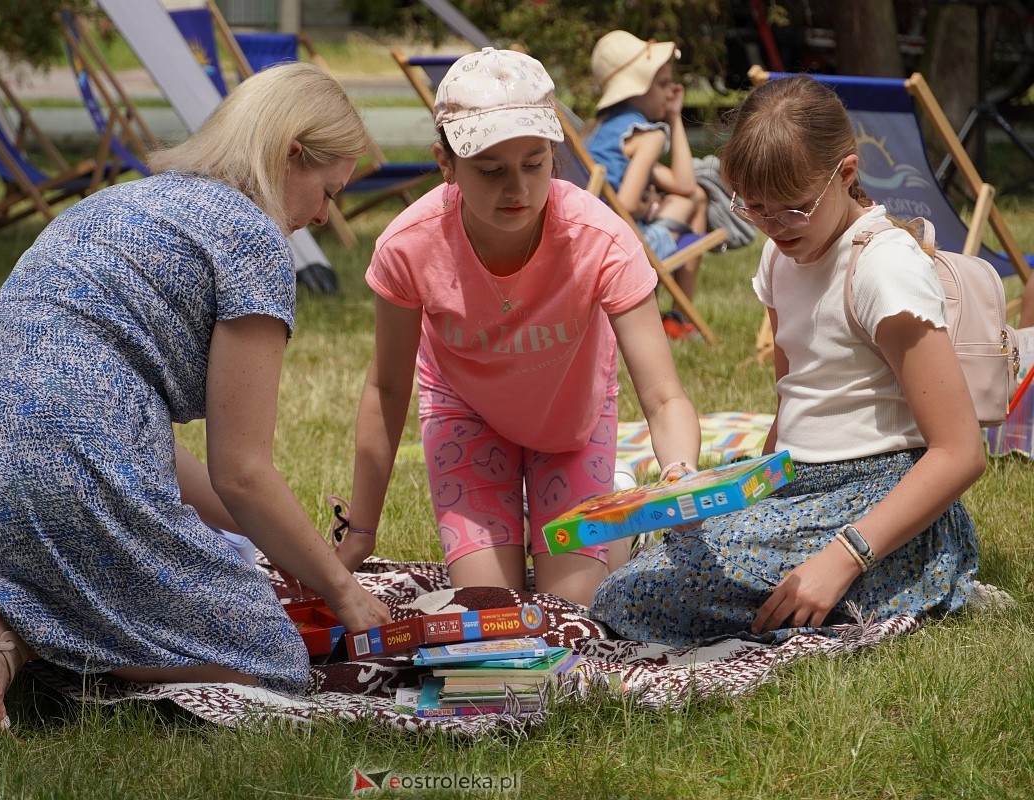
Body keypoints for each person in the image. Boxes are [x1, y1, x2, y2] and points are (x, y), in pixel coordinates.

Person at [0, 61, 392, 732]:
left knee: (93, 553)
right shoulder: (251, 238)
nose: (322, 215)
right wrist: (342, 589)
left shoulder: (121, 201)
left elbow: (143, 446)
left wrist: (289, 548)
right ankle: (20, 633)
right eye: (328, 190)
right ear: (292, 154)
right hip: (66, 481)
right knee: (271, 658)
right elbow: (242, 472)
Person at [590, 75, 986, 646]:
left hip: (883, 506)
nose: (773, 228)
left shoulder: (881, 267)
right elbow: (795, 396)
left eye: (792, 210)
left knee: (637, 595)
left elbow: (960, 452)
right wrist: (736, 493)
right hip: (800, 487)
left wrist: (842, 559)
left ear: (846, 175)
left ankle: (917, 584)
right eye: (753, 209)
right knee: (677, 557)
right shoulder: (781, 257)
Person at [331, 48, 701, 607]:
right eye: (491, 170)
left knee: (572, 606)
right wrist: (360, 531)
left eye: (534, 163)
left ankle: (621, 520)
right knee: (491, 609)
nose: (518, 188)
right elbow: (385, 390)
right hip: (466, 416)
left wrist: (679, 473)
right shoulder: (409, 246)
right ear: (445, 163)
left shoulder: (600, 240)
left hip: (570, 423)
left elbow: (664, 393)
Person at [585, 30, 710, 341]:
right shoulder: (648, 136)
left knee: (692, 196)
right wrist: (648, 206)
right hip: (625, 248)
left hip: (591, 242)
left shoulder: (603, 130)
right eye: (663, 83)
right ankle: (679, 318)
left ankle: (675, 316)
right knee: (696, 197)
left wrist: (673, 116)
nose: (670, 92)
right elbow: (632, 202)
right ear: (636, 90)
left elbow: (675, 182)